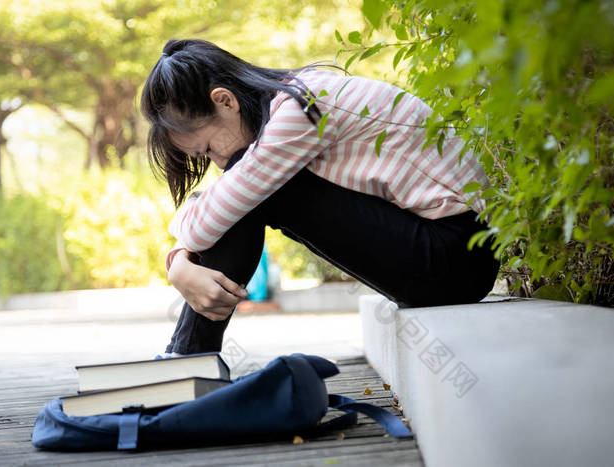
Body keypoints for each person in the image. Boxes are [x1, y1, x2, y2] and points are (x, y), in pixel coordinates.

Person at [140, 39, 500, 356]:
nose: (217, 163)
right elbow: (226, 198)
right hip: (441, 253)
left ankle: (186, 360)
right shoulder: (293, 99)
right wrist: (181, 257)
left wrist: (177, 264)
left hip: (458, 259)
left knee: (252, 185)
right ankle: (186, 360)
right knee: (246, 185)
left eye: (206, 149)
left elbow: (220, 208)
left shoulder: (302, 107)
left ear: (225, 101)